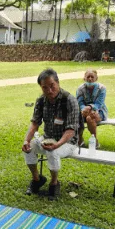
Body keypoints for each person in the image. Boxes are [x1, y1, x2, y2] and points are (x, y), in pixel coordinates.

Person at [22, 69, 80, 201]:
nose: (49, 90)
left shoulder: (69, 100)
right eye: (44, 87)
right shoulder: (41, 100)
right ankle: (37, 179)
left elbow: (71, 130)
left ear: (58, 83)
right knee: (28, 147)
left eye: (52, 85)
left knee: (52, 152)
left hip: (68, 142)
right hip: (47, 138)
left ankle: (54, 183)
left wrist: (57, 145)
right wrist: (26, 140)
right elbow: (35, 123)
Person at [76, 69, 108, 148]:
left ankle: (95, 140)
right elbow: (80, 102)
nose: (90, 79)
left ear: (96, 78)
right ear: (84, 78)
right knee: (77, 116)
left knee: (90, 117)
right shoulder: (80, 89)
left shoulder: (102, 88)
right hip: (84, 110)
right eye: (88, 77)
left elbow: (99, 103)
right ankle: (80, 139)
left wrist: (90, 107)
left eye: (92, 77)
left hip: (100, 110)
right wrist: (84, 109)